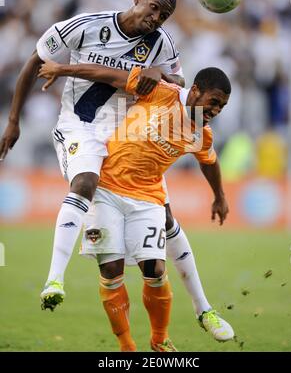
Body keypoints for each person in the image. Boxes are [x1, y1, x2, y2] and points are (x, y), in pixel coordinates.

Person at [0, 0, 185, 307]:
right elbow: (34, 61)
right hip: (80, 127)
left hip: (127, 137)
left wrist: (160, 73)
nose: (156, 18)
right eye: (154, 7)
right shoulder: (86, 26)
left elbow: (180, 81)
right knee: (85, 181)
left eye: (164, 16)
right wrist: (15, 121)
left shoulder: (161, 44)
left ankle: (203, 307)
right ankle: (54, 279)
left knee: (166, 215)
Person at [39, 60, 235, 350]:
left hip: (148, 198)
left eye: (221, 107)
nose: (216, 111)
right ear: (195, 91)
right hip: (106, 188)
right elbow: (107, 74)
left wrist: (219, 195)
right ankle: (127, 346)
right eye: (214, 102)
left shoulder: (201, 133)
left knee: (155, 269)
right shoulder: (159, 91)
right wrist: (62, 69)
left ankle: (160, 339)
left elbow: (210, 161)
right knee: (111, 270)